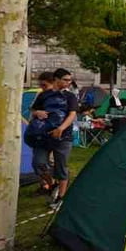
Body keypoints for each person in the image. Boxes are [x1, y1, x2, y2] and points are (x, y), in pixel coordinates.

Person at [44, 68, 80, 209]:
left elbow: (72, 115)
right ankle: (53, 184)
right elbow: (34, 109)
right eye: (65, 80)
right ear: (56, 79)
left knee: (61, 165)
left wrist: (61, 128)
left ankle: (61, 197)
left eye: (70, 80)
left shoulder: (70, 96)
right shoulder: (46, 95)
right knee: (39, 163)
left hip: (64, 136)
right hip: (45, 136)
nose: (68, 83)